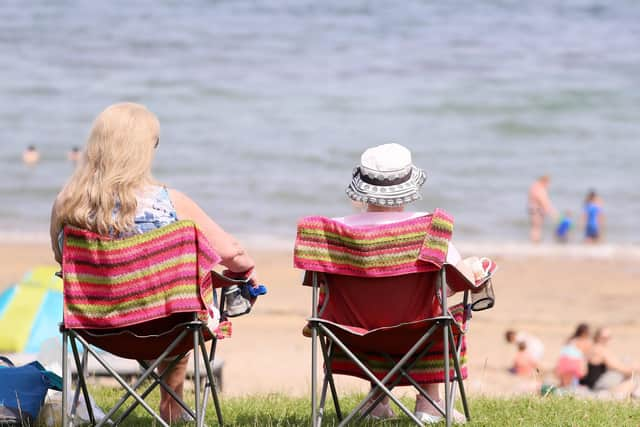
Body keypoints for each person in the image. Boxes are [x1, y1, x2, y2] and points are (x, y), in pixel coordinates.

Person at [49, 102, 257, 423]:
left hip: (96, 327)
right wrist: (243, 272)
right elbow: (232, 252)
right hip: (166, 328)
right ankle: (171, 404)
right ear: (143, 149)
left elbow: (62, 260)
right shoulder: (168, 202)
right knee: (180, 304)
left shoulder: (67, 203)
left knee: (174, 302)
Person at [337, 143, 493, 424]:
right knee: (435, 310)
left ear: (362, 185)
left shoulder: (336, 232)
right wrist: (474, 271)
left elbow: (323, 286)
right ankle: (429, 401)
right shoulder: (426, 229)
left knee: (374, 307)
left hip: (351, 337)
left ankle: (377, 402)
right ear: (408, 185)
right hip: (417, 336)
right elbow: (451, 283)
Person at [579, 327, 639, 397]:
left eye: (608, 337)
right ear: (597, 337)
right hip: (598, 388)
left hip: (592, 385)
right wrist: (635, 369)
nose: (606, 340)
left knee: (626, 360)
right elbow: (621, 368)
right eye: (604, 337)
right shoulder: (600, 350)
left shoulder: (593, 348)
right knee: (633, 382)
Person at [555, 323, 591, 390]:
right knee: (574, 384)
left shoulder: (570, 340)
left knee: (563, 383)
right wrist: (584, 367)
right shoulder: (583, 342)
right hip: (575, 363)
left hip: (564, 361)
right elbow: (584, 356)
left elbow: (562, 352)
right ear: (584, 333)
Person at [527, 175, 556, 243]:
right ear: (544, 181)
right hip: (536, 209)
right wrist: (550, 210)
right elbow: (542, 200)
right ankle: (535, 241)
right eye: (548, 183)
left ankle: (535, 240)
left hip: (533, 208)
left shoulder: (534, 186)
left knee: (536, 226)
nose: (548, 185)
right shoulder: (539, 188)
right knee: (536, 226)